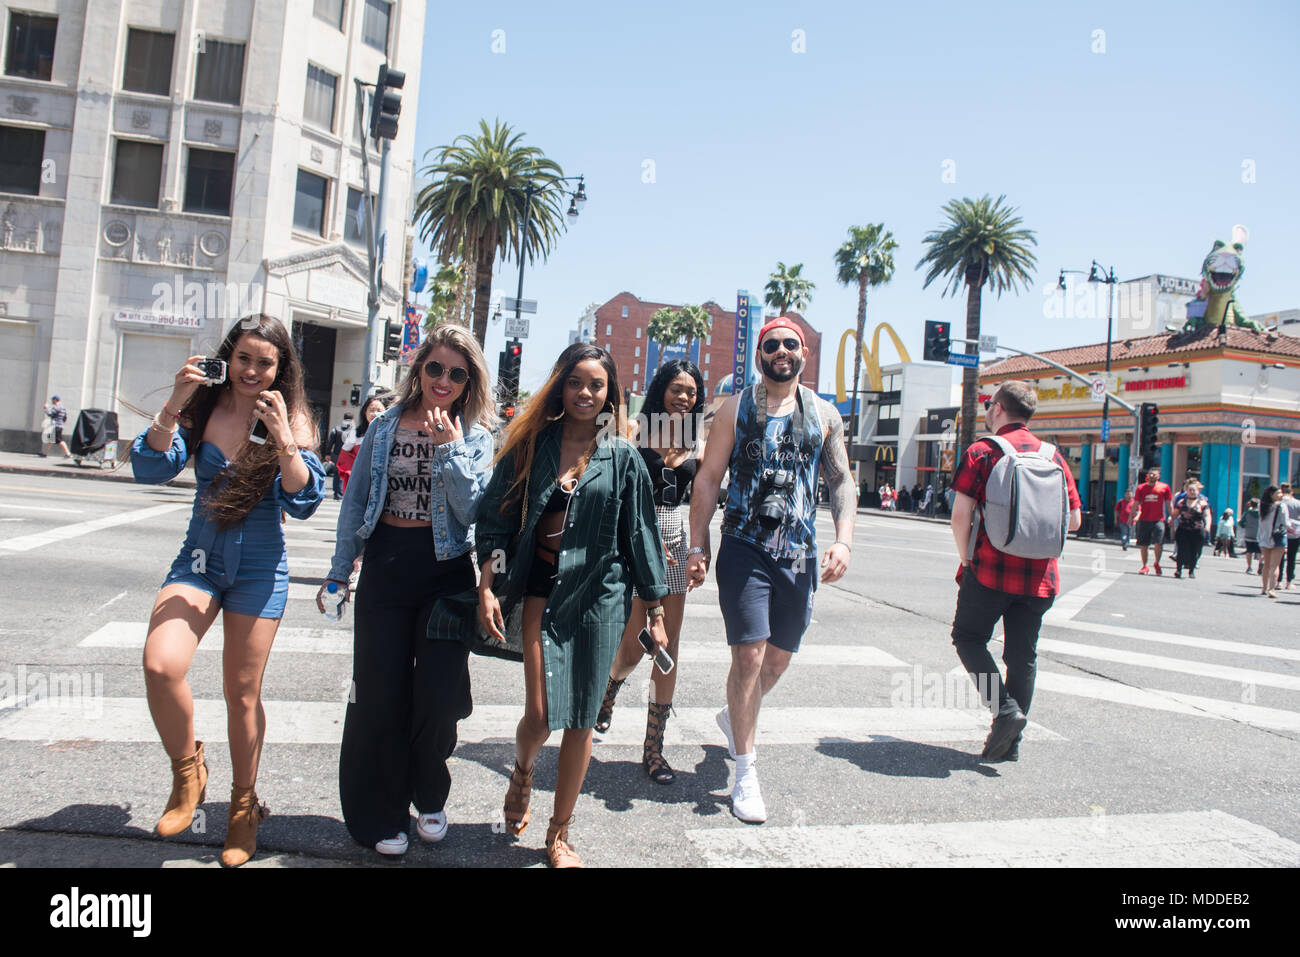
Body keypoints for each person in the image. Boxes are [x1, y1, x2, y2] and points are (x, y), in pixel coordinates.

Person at [131, 315, 325, 867]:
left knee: (241, 694)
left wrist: (285, 440)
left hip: (260, 569)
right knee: (161, 665)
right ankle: (188, 773)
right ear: (228, 357)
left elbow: (303, 501)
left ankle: (244, 807)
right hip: (198, 561)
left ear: (280, 369)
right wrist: (177, 397)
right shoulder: (203, 408)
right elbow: (151, 468)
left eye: (266, 362)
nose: (252, 371)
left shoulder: (293, 419)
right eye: (244, 358)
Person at [476, 343, 669, 868]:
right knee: (539, 715)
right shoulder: (531, 445)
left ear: (611, 394)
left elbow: (641, 535)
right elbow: (495, 518)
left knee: (581, 718)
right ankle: (522, 771)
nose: (586, 392)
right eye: (576, 381)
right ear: (561, 385)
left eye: (597, 385)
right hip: (541, 587)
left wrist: (653, 609)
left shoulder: (623, 457)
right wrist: (488, 583)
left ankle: (559, 832)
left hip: (600, 597)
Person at [317, 326, 495, 856]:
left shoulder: (477, 436)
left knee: (439, 698)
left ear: (469, 382)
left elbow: (473, 512)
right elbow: (356, 503)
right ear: (418, 370)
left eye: (456, 373)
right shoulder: (387, 425)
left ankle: (430, 795)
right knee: (379, 694)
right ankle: (384, 814)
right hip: (388, 567)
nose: (443, 380)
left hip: (446, 573)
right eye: (435, 368)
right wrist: (338, 568)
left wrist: (451, 451)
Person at [686, 317, 855, 823]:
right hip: (745, 547)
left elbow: (841, 481)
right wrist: (699, 545)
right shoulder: (735, 409)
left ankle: (734, 715)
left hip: (799, 555)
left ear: (804, 352)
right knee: (751, 657)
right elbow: (709, 478)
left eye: (790, 344)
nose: (781, 351)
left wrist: (844, 541)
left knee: (776, 663)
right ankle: (745, 771)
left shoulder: (825, 415)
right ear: (759, 354)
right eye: (771, 344)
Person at [949, 381, 1082, 763]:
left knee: (969, 638)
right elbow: (1073, 521)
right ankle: (1011, 744)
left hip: (990, 569)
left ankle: (1004, 711)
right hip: (1041, 577)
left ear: (997, 409)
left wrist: (966, 557)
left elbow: (960, 515)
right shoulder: (1054, 457)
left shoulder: (982, 451)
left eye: (989, 406)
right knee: (1023, 657)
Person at [594, 360, 705, 784]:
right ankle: (610, 687)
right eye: (676, 389)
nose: (683, 397)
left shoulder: (697, 441)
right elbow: (613, 492)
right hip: (635, 539)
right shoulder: (635, 433)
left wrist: (699, 551)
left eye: (691, 392)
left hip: (676, 544)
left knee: (667, 647)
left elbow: (700, 507)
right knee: (634, 645)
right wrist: (641, 535)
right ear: (661, 390)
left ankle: (654, 750)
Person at [336, 397, 385, 497]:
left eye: (379, 410)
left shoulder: (391, 433)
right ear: (365, 412)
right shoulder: (356, 434)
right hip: (361, 482)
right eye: (371, 410)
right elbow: (344, 458)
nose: (375, 413)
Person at [1133, 467, 1172, 575]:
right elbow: (1136, 503)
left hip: (1159, 519)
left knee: (1158, 542)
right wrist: (1131, 515)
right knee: (1144, 544)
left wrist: (1172, 517)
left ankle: (1156, 563)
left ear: (1158, 476)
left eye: (1154, 474)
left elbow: (1169, 503)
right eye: (1150, 474)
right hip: (1144, 519)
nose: (1152, 476)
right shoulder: (1141, 488)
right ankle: (1145, 565)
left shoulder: (1164, 487)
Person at [1172, 480, 1210, 579]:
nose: (1192, 492)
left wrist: (1208, 526)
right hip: (1183, 529)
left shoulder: (1202, 502)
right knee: (1181, 550)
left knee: (1195, 550)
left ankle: (1191, 570)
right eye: (1190, 490)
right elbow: (1175, 514)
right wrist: (1171, 521)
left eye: (1194, 490)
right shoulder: (1181, 502)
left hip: (1197, 530)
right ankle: (1178, 570)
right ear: (1187, 491)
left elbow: (1207, 515)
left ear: (1198, 491)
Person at [1258, 486, 1287, 598]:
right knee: (1274, 566)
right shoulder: (1281, 506)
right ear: (1272, 495)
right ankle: (1272, 589)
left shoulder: (1263, 506)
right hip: (1278, 537)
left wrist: (1260, 537)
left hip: (1265, 537)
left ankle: (1264, 588)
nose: (1281, 495)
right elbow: (1285, 522)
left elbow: (1261, 524)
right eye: (1278, 493)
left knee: (1266, 564)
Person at [324, 412, 355, 500]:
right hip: (348, 456)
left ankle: (336, 493)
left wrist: (328, 453)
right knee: (345, 474)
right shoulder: (353, 431)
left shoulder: (336, 429)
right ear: (352, 419)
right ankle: (341, 493)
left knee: (337, 474)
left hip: (336, 454)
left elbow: (330, 442)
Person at [1279, 483, 1300, 589]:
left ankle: (1278, 581)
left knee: (1279, 558)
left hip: (1280, 533)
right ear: (1291, 492)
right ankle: (1289, 582)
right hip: (1294, 533)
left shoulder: (1278, 503)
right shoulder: (1297, 503)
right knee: (1291, 558)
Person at [1240, 498, 1260, 574]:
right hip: (1259, 534)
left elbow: (1241, 523)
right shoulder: (1261, 513)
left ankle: (1249, 567)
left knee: (1249, 551)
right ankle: (1260, 566)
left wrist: (1246, 526)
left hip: (1249, 533)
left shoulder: (1247, 513)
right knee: (1259, 551)